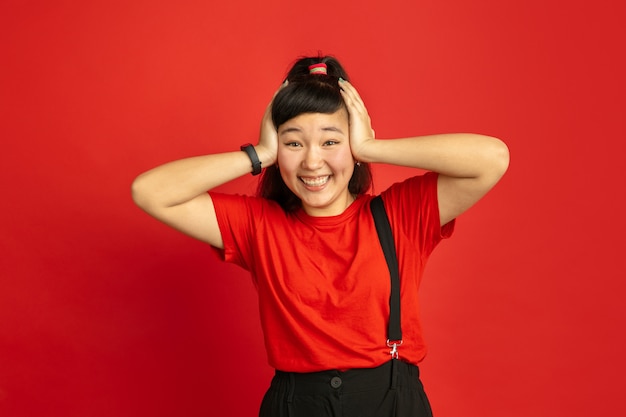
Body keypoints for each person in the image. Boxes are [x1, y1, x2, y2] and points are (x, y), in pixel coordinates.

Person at [131, 55, 509, 417]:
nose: (312, 162)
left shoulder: (400, 215)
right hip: (296, 405)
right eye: (294, 143)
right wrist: (259, 153)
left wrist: (370, 148)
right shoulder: (258, 224)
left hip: (392, 401)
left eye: (330, 141)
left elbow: (492, 158)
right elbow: (150, 191)